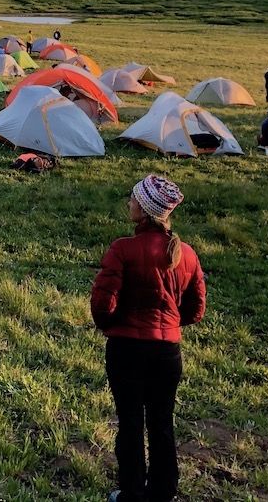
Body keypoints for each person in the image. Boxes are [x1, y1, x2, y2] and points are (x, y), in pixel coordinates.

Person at [91, 175, 206, 502]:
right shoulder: (187, 254)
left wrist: (111, 325)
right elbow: (196, 308)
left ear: (143, 209)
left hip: (126, 349)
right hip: (168, 352)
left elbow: (102, 302)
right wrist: (170, 325)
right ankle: (163, 490)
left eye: (132, 198)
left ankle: (131, 493)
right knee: (161, 421)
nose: (129, 202)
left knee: (130, 422)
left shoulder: (123, 249)